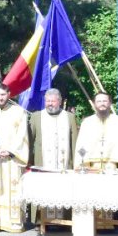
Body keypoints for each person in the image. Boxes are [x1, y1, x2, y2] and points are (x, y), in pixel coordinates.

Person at [0, 83, 30, 233]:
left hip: (12, 159)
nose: (0, 98)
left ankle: (13, 222)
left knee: (13, 190)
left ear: (8, 94)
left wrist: (10, 151)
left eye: (3, 94)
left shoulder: (19, 112)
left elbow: (22, 134)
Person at [29, 88, 77, 225]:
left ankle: (64, 220)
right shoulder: (36, 116)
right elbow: (30, 140)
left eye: (53, 101)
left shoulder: (69, 117)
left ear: (60, 102)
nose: (50, 104)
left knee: (64, 192)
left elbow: (74, 141)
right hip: (42, 164)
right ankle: (41, 220)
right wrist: (29, 160)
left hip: (64, 164)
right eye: (47, 101)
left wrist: (76, 163)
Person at [75, 92, 118, 171]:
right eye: (99, 101)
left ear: (110, 103)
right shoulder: (87, 122)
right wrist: (81, 165)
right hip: (91, 168)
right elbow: (81, 144)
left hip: (112, 167)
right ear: (94, 104)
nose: (102, 103)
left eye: (104, 101)